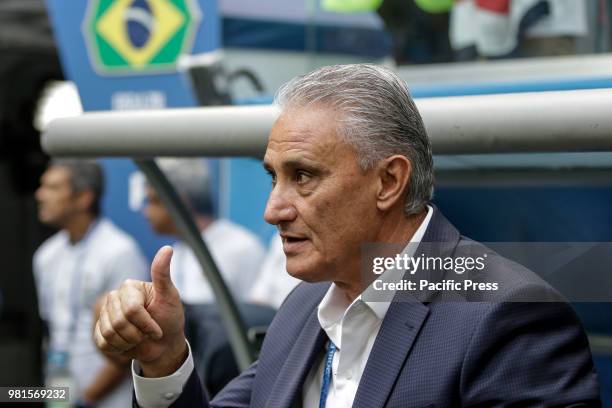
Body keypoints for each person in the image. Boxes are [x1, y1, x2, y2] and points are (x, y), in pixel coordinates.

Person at [94, 64, 600, 407]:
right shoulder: (301, 309)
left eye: (304, 176)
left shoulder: (507, 315)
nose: (273, 210)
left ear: (388, 182)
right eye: (274, 177)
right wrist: (162, 360)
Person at [33, 159, 148, 407]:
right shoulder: (46, 255)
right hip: (60, 391)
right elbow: (52, 329)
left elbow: (132, 342)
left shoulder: (119, 252)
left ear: (84, 197)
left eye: (52, 188)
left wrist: (87, 399)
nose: (40, 195)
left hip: (108, 399)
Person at [143, 158, 265, 304]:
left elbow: (258, 315)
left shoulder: (240, 248)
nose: (146, 212)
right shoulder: (175, 254)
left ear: (180, 202)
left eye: (154, 201)